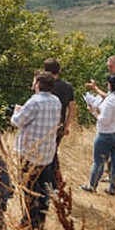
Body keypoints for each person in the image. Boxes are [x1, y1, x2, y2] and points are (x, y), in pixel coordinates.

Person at [10, 71, 62, 230]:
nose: (32, 84)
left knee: (29, 187)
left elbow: (17, 122)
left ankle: (28, 221)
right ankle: (40, 219)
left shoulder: (34, 102)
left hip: (30, 153)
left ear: (38, 84)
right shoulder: (56, 100)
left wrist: (16, 112)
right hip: (47, 152)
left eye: (34, 81)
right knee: (44, 187)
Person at [39, 58, 78, 196]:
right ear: (59, 70)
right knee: (52, 153)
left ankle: (52, 185)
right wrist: (67, 125)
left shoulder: (44, 86)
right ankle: (55, 184)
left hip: (44, 125)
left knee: (49, 155)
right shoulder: (67, 86)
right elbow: (72, 107)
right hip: (59, 125)